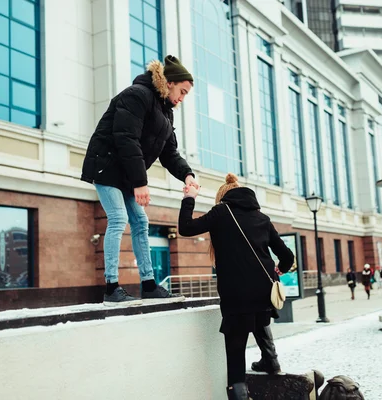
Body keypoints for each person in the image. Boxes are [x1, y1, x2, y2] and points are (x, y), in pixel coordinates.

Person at [81, 55, 199, 305]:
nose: (182, 98)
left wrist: (187, 175)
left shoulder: (166, 113)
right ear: (169, 83)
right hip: (106, 164)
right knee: (118, 218)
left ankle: (148, 284)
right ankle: (111, 288)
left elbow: (169, 153)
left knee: (140, 222)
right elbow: (126, 138)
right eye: (182, 91)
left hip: (126, 172)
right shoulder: (137, 95)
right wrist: (140, 182)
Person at [178, 173, 294, 400]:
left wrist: (189, 197)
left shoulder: (221, 212)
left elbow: (186, 227)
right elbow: (287, 256)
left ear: (222, 197)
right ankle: (270, 361)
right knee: (259, 320)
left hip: (236, 295)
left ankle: (239, 393)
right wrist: (279, 269)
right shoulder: (262, 217)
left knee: (236, 349)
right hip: (263, 293)